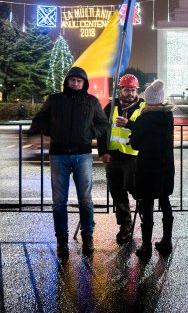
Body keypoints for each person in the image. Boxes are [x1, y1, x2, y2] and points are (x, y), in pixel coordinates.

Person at [28, 67, 109, 258]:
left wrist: (91, 133)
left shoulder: (91, 101)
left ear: (84, 83)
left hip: (83, 155)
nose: (76, 84)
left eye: (79, 81)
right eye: (73, 80)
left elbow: (103, 124)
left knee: (86, 200)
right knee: (59, 202)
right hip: (59, 155)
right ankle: (61, 241)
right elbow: (39, 120)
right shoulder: (54, 100)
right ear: (67, 82)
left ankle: (87, 236)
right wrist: (52, 130)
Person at [129, 79, 175, 261]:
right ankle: (167, 241)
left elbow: (136, 144)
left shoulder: (143, 118)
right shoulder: (168, 117)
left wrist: (134, 134)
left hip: (147, 164)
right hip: (165, 163)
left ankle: (146, 246)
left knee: (147, 202)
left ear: (147, 100)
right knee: (165, 200)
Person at [97, 74, 145, 244]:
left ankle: (146, 223)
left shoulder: (143, 107)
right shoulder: (111, 107)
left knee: (137, 190)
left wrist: (129, 124)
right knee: (117, 193)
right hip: (113, 157)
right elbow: (101, 130)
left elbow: (146, 130)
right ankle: (125, 225)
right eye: (127, 90)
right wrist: (102, 152)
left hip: (133, 157)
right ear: (120, 90)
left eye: (133, 90)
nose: (130, 93)